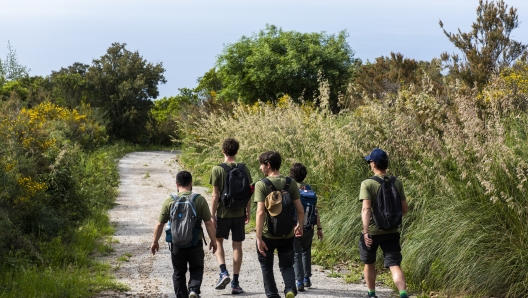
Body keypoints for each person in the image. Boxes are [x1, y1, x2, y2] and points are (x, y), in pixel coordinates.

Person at [150, 170, 217, 298]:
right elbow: (208, 223)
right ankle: (193, 289)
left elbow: (160, 224)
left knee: (178, 272)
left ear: (176, 184)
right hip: (195, 242)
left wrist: (155, 242)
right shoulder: (199, 199)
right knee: (196, 268)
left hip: (176, 243)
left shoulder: (170, 200)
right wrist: (213, 241)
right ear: (191, 183)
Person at [254, 151, 305, 298]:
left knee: (266, 266)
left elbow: (260, 213)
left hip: (267, 235)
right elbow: (300, 209)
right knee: (287, 265)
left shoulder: (261, 185)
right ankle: (289, 289)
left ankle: (272, 295)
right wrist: (299, 226)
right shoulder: (291, 183)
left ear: (268, 165)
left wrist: (258, 238)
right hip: (287, 233)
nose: (260, 168)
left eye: (261, 165)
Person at [359, 148, 409, 298]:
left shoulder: (367, 184)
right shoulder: (397, 182)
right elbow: (404, 209)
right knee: (394, 265)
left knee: (369, 263)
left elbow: (366, 209)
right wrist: (391, 220)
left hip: (373, 232)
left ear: (373, 164)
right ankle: (403, 293)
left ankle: (372, 293)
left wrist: (366, 231)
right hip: (392, 231)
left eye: (370, 161)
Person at [209, 138, 253, 294]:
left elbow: (215, 196)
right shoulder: (244, 168)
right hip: (239, 213)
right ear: (237, 151)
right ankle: (235, 282)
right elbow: (249, 192)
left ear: (223, 151)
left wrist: (212, 215)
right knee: (237, 245)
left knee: (218, 242)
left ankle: (223, 272)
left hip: (223, 213)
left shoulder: (217, 169)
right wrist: (248, 211)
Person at [289, 162, 323, 292]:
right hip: (309, 226)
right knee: (306, 251)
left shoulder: (291, 188)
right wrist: (319, 228)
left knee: (296, 253)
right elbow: (315, 210)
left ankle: (299, 281)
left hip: (296, 226)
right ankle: (307, 278)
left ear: (291, 174)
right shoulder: (309, 189)